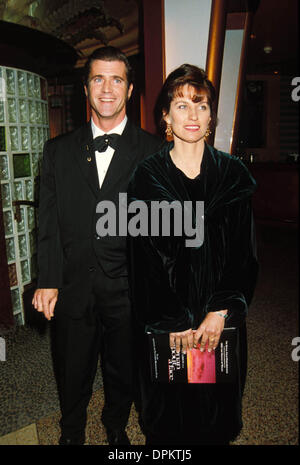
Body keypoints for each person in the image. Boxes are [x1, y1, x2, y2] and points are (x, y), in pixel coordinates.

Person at [32, 46, 162, 445]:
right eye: (98, 79)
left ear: (130, 88)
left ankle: (116, 425)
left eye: (117, 79)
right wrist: (47, 279)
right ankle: (71, 431)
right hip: (72, 284)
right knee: (72, 368)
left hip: (128, 287)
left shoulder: (155, 151)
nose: (107, 89)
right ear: (85, 89)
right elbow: (48, 222)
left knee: (123, 367)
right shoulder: (57, 151)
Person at [128, 64, 258, 445]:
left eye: (201, 106)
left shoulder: (232, 175)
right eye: (182, 106)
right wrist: (174, 322)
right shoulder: (147, 178)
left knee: (214, 410)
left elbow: (244, 253)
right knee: (170, 416)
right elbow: (143, 262)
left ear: (211, 115)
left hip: (218, 319)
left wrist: (219, 312)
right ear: (165, 115)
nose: (193, 116)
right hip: (168, 319)